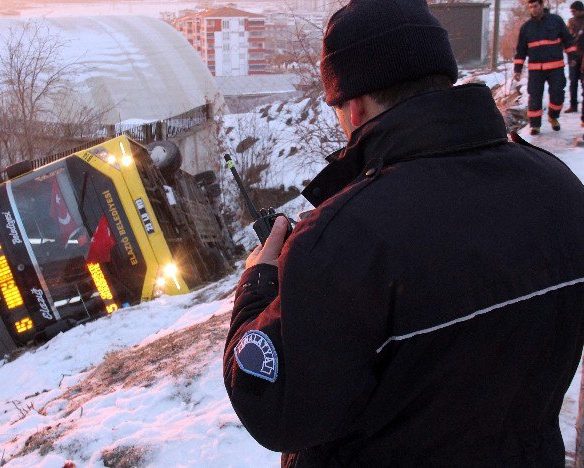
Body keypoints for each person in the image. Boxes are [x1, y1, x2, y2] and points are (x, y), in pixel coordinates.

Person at [223, 0, 584, 465]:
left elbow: (275, 408)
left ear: (353, 107)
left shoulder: (341, 240)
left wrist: (259, 283)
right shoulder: (560, 187)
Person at [514, 0, 577, 135]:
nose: (533, 9)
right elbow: (521, 50)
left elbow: (568, 40)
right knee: (535, 97)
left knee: (557, 94)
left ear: (542, 5)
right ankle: (535, 125)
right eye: (530, 7)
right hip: (536, 70)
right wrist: (517, 69)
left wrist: (572, 57)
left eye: (535, 6)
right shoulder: (526, 28)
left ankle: (553, 117)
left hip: (556, 68)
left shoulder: (556, 21)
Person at [566, 1, 584, 112]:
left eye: (574, 11)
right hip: (573, 55)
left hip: (583, 56)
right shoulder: (571, 22)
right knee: (573, 81)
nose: (572, 13)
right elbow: (567, 37)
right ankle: (573, 105)